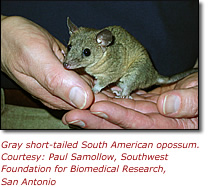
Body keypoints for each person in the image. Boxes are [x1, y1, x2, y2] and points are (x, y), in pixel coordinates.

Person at [1, 1, 198, 129]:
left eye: (85, 53)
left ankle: (126, 89)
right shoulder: (86, 44)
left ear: (102, 44)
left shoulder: (108, 59)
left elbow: (110, 74)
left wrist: (98, 86)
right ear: (73, 32)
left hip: (150, 83)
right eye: (70, 48)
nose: (70, 60)